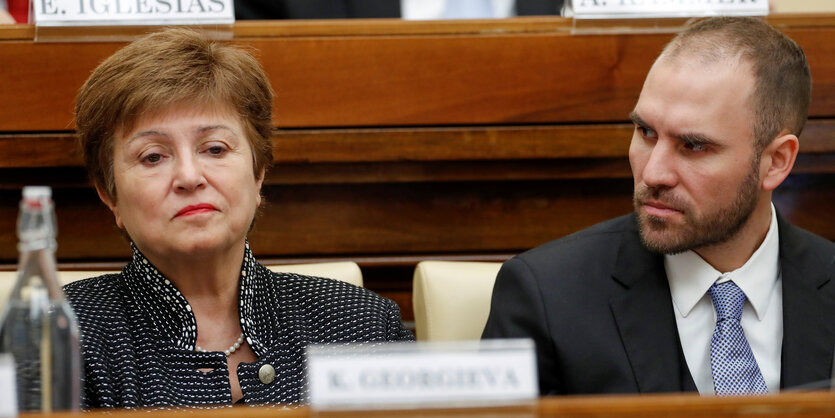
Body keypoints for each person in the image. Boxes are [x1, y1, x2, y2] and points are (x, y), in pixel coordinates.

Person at [482, 16, 835, 396]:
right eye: (646, 132)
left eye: (694, 146)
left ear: (777, 161)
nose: (653, 173)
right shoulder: (547, 295)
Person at [65, 28, 414, 409]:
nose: (189, 177)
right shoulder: (62, 334)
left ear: (258, 171)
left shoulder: (360, 326)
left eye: (214, 148)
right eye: (153, 156)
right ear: (108, 193)